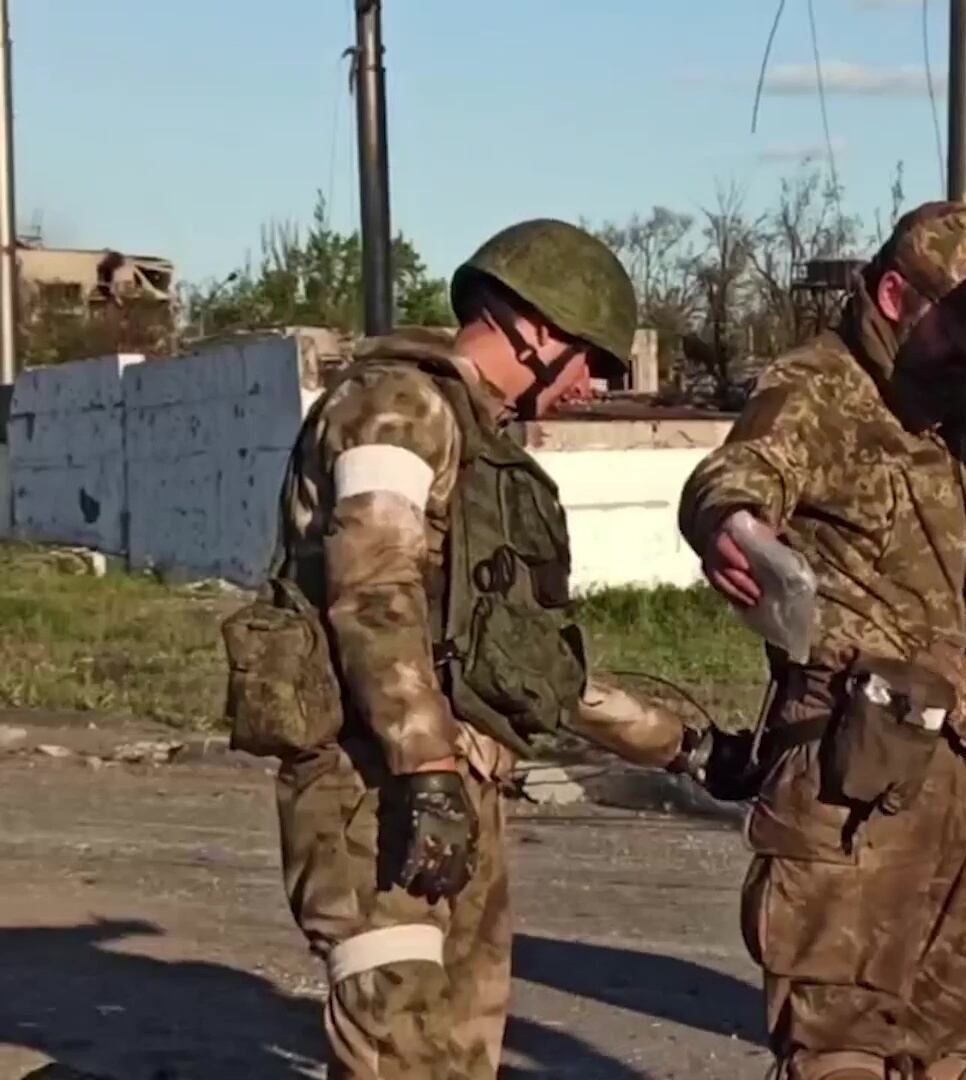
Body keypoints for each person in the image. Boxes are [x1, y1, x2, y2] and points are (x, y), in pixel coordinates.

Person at [224, 219, 692, 1078]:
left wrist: (680, 745)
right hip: (375, 794)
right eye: (592, 358)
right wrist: (426, 770)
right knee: (402, 1050)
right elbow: (373, 592)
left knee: (456, 1057)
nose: (592, 385)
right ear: (540, 328)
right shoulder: (395, 411)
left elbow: (523, 664)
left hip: (453, 791)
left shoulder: (480, 449)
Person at [678, 201, 966, 1080]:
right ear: (898, 295)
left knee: (955, 1043)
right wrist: (732, 526)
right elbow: (734, 478)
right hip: (853, 775)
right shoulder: (818, 389)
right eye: (963, 319)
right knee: (840, 1048)